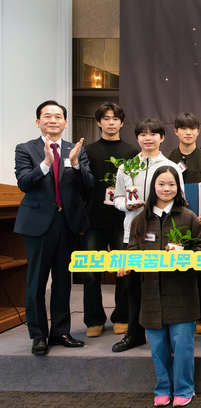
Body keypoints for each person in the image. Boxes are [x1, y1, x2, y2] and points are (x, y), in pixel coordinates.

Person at [14, 100, 94, 356]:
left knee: (62, 282)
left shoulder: (76, 150)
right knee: (36, 282)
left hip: (67, 224)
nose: (53, 120)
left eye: (58, 116)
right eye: (47, 116)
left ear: (65, 122)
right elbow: (24, 183)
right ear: (38, 121)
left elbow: (88, 184)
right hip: (38, 224)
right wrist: (46, 164)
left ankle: (60, 332)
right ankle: (38, 335)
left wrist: (76, 164)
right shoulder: (26, 148)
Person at [125, 165, 201, 407]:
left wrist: (185, 256)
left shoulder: (189, 217)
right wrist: (126, 264)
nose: (166, 189)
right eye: (161, 184)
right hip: (151, 292)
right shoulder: (140, 220)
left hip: (182, 292)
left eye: (171, 184)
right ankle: (163, 388)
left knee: (182, 346)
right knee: (158, 347)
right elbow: (132, 250)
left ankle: (184, 389)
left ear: (178, 188)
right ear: (153, 187)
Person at [112, 118, 185, 353]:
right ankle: (134, 334)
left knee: (163, 284)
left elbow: (180, 200)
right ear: (137, 138)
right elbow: (117, 197)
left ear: (162, 138)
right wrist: (127, 205)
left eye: (153, 134)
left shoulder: (171, 167)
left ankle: (167, 335)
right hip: (133, 234)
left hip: (164, 234)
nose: (148, 138)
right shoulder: (126, 167)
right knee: (132, 285)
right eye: (143, 134)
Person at [82, 102, 138, 337]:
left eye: (115, 118)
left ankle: (121, 316)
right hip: (93, 220)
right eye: (106, 118)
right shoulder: (88, 151)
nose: (111, 122)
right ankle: (93, 320)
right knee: (90, 272)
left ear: (122, 123)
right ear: (99, 122)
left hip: (122, 220)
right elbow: (81, 185)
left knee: (123, 272)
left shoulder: (132, 151)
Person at [166, 112, 201, 335]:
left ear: (198, 131)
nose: (188, 132)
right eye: (183, 128)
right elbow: (163, 189)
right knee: (177, 268)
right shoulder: (168, 159)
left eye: (192, 128)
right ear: (175, 131)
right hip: (174, 222)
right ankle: (178, 314)